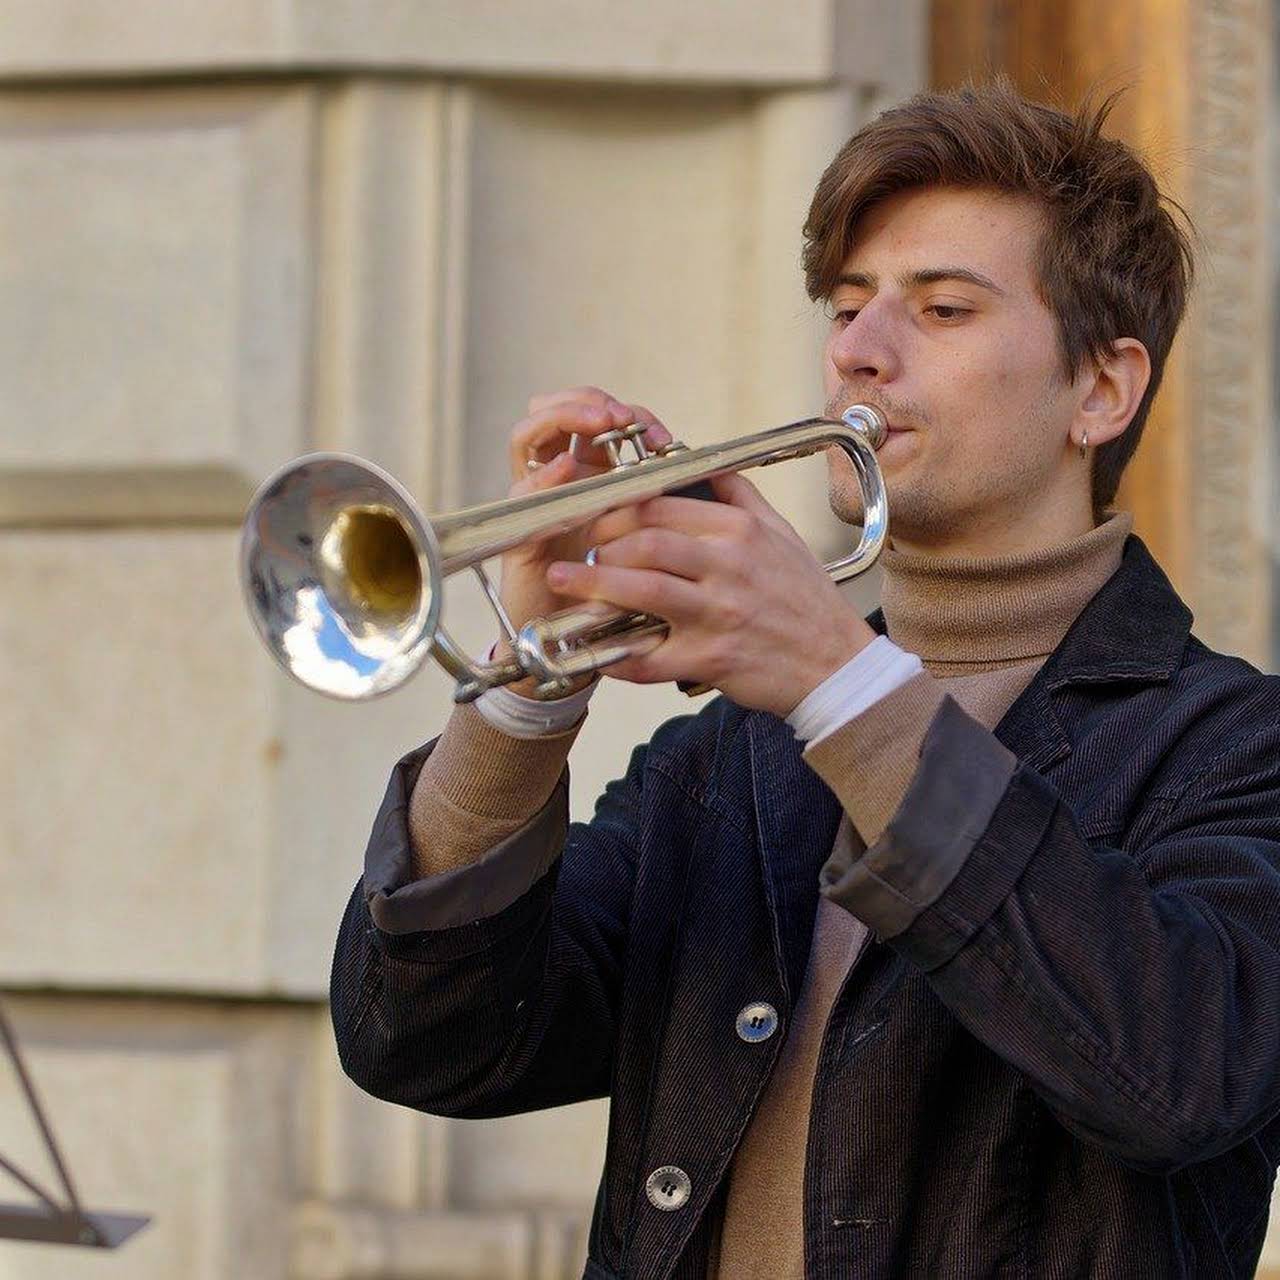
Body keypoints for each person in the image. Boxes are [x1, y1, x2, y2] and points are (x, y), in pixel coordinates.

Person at [330, 80, 1280, 1278]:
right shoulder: (728, 758)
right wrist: (525, 689)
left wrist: (844, 684)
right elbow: (425, 1045)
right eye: (845, 305)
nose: (855, 352)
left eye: (938, 308)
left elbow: (1178, 1074)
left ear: (1100, 389)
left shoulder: (1230, 746)